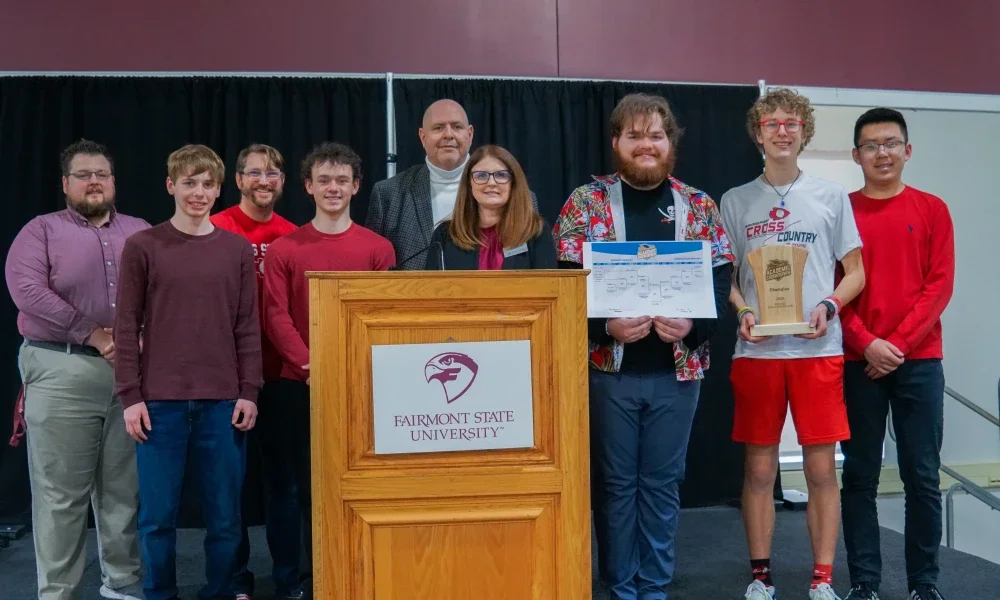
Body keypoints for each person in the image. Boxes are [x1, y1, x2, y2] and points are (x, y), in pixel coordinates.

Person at [553, 93, 734, 600]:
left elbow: (720, 283)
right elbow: (566, 283)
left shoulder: (699, 205)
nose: (646, 145)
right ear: (617, 143)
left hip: (678, 374)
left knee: (661, 484)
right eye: (635, 135)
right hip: (607, 370)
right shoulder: (585, 204)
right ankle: (619, 586)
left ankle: (654, 587)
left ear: (669, 142)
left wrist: (694, 326)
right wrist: (603, 327)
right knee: (614, 486)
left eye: (656, 135)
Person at [720, 87, 866, 600]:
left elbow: (856, 274)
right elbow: (730, 277)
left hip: (817, 350)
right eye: (771, 123)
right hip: (758, 351)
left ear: (803, 131)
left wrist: (829, 305)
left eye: (790, 123)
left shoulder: (831, 197)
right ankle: (760, 577)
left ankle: (822, 578)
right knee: (759, 469)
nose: (781, 131)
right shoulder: (735, 200)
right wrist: (742, 310)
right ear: (757, 133)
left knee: (822, 467)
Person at [115, 144, 263, 600]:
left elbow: (247, 325)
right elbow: (125, 325)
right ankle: (160, 593)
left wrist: (250, 390)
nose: (198, 192)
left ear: (220, 189)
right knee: (158, 517)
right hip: (160, 403)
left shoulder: (236, 249)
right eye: (189, 183)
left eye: (207, 184)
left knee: (224, 517)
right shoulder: (143, 246)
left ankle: (220, 592)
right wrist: (131, 396)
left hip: (223, 402)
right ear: (170, 186)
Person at [4, 139, 147, 600]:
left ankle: (122, 585)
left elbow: (163, 292)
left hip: (131, 376)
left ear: (113, 181)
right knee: (60, 497)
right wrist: (94, 334)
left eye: (101, 173)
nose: (94, 182)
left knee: (123, 491)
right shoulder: (40, 231)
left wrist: (143, 335)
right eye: (83, 174)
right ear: (66, 184)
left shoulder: (140, 231)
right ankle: (58, 592)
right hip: (61, 370)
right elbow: (28, 292)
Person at [263, 142, 395, 594]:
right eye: (324, 180)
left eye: (342, 180)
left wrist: (352, 372)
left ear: (356, 187)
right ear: (307, 186)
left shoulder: (378, 249)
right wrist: (309, 366)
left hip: (361, 386)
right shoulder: (284, 250)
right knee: (299, 488)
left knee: (356, 485)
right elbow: (276, 315)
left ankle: (353, 574)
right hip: (297, 387)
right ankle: (302, 577)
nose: (333, 188)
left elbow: (383, 319)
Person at [838, 109, 954, 600]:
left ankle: (923, 584)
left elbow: (939, 286)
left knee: (922, 477)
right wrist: (866, 342)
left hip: (919, 361)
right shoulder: (839, 211)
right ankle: (865, 583)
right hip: (856, 361)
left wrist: (898, 346)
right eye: (870, 145)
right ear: (856, 155)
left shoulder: (932, 209)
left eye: (890, 144)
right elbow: (830, 291)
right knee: (860, 475)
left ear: (907, 151)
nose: (881, 153)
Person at [210, 144, 302, 600]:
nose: (264, 180)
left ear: (283, 181)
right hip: (227, 378)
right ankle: (235, 580)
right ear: (239, 180)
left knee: (282, 485)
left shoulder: (293, 235)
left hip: (280, 378)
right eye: (254, 173)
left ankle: (289, 578)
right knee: (231, 488)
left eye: (273, 173)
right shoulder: (217, 227)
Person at [365, 98, 474, 269]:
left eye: (457, 127)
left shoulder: (510, 195)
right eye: (438, 128)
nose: (448, 134)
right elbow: (374, 268)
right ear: (423, 137)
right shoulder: (388, 194)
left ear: (470, 134)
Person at [426, 144, 556, 270]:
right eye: (481, 175)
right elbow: (430, 289)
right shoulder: (446, 235)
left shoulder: (535, 231)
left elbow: (549, 288)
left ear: (513, 183)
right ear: (469, 184)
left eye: (501, 175)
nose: (491, 183)